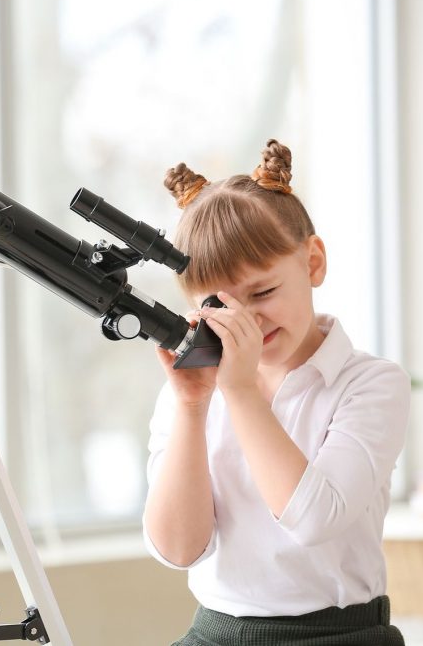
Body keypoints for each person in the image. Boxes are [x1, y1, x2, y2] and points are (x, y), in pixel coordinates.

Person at [143, 140, 409, 645]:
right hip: (215, 632)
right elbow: (177, 550)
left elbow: (313, 519)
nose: (248, 321)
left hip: (339, 635)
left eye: (263, 292)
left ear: (312, 263)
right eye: (222, 306)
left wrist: (241, 392)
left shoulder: (371, 384)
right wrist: (192, 407)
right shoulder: (192, 392)